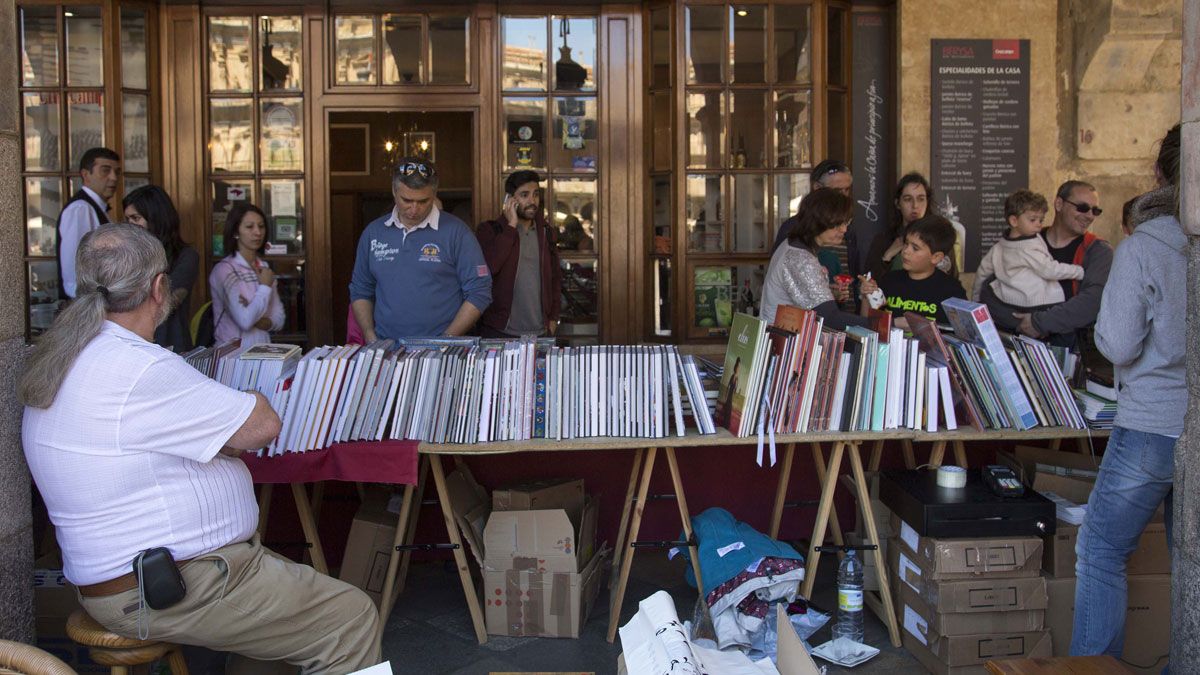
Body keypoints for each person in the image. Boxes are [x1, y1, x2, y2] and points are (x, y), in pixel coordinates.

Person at [19, 223, 381, 672]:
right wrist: (251, 400)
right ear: (158, 288)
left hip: (142, 578)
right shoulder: (139, 367)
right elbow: (261, 425)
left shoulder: (65, 356)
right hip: (169, 585)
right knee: (351, 617)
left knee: (289, 635)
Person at [1071, 124, 1183, 660]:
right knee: (1190, 562)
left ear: (1160, 175)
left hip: (1151, 424)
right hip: (1192, 420)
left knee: (1099, 551)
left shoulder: (1146, 247)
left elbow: (1116, 343)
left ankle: (1094, 674)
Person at [350, 158, 492, 340]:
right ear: (394, 191)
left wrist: (445, 339)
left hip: (442, 350)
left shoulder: (457, 232)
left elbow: (479, 291)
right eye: (406, 200)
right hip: (387, 347)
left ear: (434, 194)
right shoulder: (373, 233)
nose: (414, 209)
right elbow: (361, 289)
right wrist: (370, 336)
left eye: (423, 201)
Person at [980, 180, 1113, 346]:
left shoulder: (1098, 250)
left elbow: (1093, 301)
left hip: (1067, 349)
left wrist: (1038, 322)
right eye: (1083, 208)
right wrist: (1016, 321)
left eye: (1096, 211)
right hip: (1014, 344)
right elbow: (991, 283)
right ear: (1059, 204)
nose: (1090, 216)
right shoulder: (1025, 241)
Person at [970, 190, 1085, 333]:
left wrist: (975, 302)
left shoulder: (999, 246)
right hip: (1034, 303)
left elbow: (982, 273)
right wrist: (1078, 271)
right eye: (1033, 220)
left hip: (1007, 302)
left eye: (1041, 220)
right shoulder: (1027, 248)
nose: (1038, 225)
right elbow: (1049, 270)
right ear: (1014, 221)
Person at [759, 189, 870, 330]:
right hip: (784, 344)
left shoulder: (792, 244)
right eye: (837, 224)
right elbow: (829, 318)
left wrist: (826, 292)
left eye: (846, 222)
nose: (844, 229)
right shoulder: (800, 259)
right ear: (817, 222)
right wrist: (888, 325)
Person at [476, 170, 563, 338]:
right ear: (510, 200)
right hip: (500, 331)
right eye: (524, 195)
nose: (532, 201)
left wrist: (553, 319)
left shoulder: (546, 232)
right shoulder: (490, 230)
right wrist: (511, 226)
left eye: (536, 194)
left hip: (540, 332)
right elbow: (489, 268)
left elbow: (555, 279)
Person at [123, 185, 199, 352]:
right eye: (127, 220)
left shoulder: (186, 256)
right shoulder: (126, 257)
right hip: (133, 346)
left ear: (156, 219)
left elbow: (168, 300)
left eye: (136, 218)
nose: (130, 225)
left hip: (171, 345)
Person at [861, 214, 966, 326]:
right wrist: (866, 296)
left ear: (936, 257)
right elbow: (868, 325)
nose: (906, 251)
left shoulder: (952, 292)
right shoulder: (889, 280)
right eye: (906, 244)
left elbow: (962, 335)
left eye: (915, 248)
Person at [209, 204, 285, 347]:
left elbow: (279, 318)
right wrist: (264, 288)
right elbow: (245, 321)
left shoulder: (264, 268)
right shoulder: (224, 270)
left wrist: (256, 316)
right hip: (233, 358)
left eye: (261, 226)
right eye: (250, 227)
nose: (257, 232)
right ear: (236, 231)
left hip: (263, 354)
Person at [58, 147, 122, 298]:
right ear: (86, 174)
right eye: (105, 170)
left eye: (117, 172)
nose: (113, 177)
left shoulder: (95, 208)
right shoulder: (80, 209)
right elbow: (74, 273)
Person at [771, 159, 853, 253]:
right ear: (817, 187)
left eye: (847, 190)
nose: (843, 195)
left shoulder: (849, 226)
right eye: (837, 191)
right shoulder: (794, 227)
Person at [863, 172, 933, 281]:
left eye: (921, 199)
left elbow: (952, 282)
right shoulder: (883, 240)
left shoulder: (938, 238)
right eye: (908, 199)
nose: (915, 205)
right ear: (898, 203)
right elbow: (866, 284)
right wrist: (887, 257)